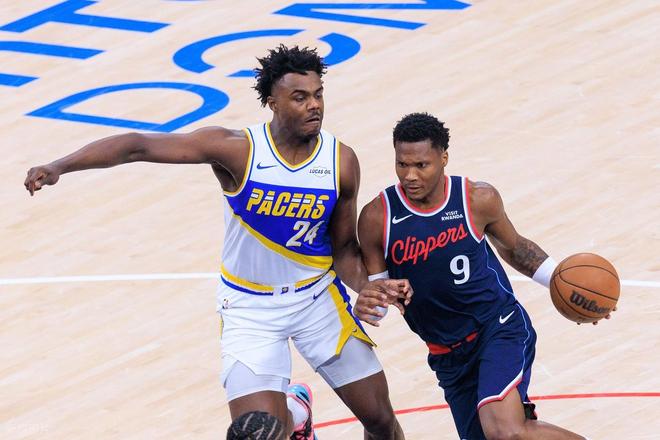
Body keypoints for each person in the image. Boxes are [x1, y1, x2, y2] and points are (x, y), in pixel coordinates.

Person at [24, 45, 411, 440]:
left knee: (380, 421)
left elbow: (343, 250)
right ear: (272, 102)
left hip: (316, 300)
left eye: (318, 94)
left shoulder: (340, 161)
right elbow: (136, 145)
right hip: (249, 309)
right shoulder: (238, 150)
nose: (314, 105)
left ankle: (295, 412)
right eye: (300, 97)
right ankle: (294, 414)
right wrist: (59, 166)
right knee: (259, 433)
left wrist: (368, 287)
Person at [354, 112, 606, 439]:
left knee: (504, 429)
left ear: (444, 158)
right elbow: (379, 292)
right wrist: (371, 300)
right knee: (505, 433)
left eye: (421, 165)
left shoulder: (476, 199)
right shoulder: (377, 217)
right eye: (402, 165)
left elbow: (516, 249)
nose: (410, 175)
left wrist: (566, 287)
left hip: (497, 327)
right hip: (446, 354)